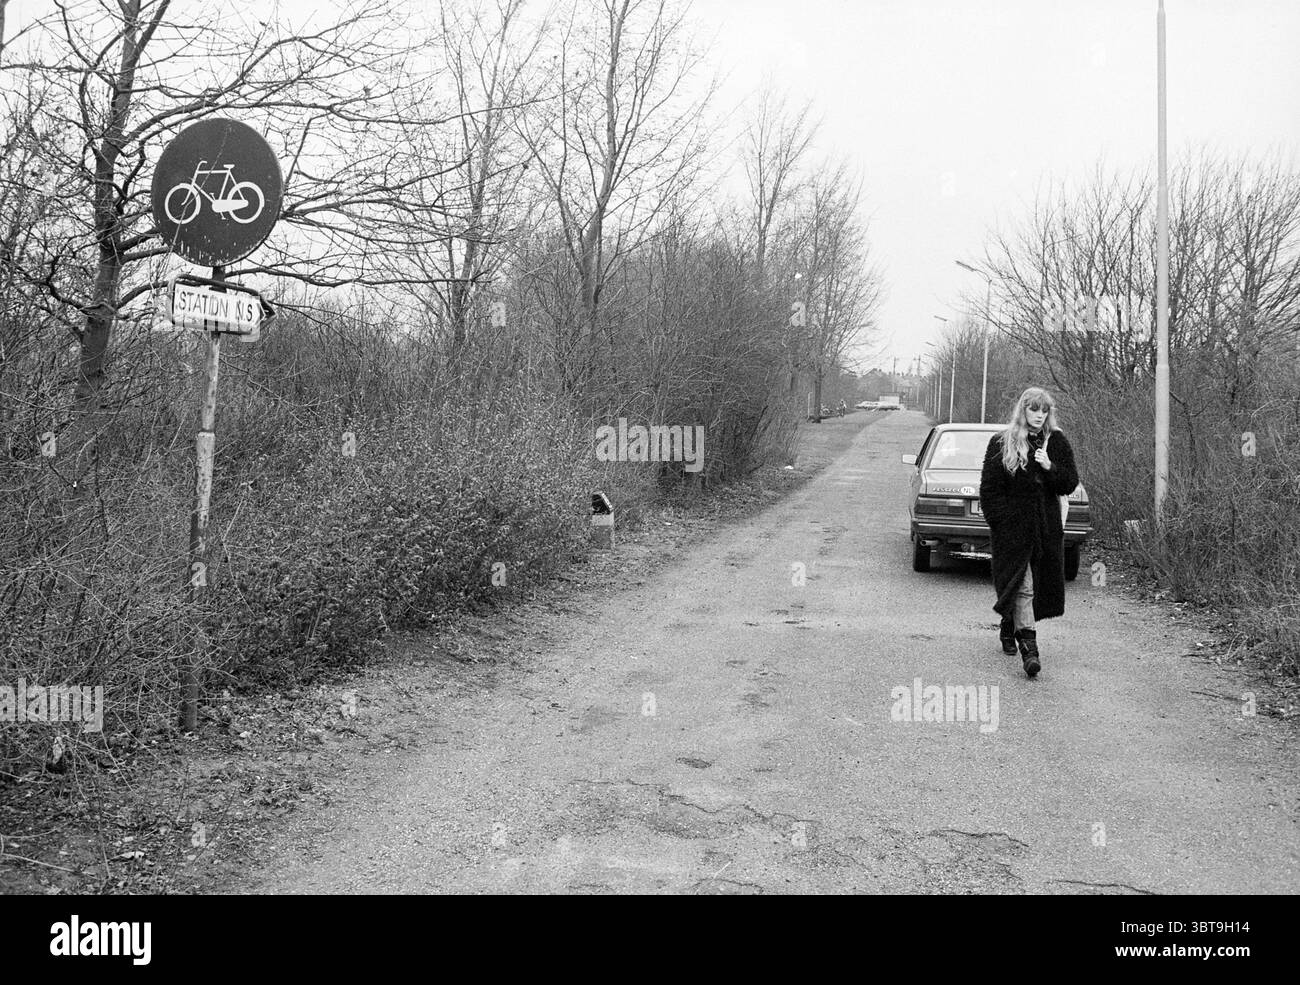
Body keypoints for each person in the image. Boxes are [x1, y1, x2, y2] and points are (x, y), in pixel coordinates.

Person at [978, 387, 1080, 678]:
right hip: (1013, 532)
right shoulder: (1002, 442)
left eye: (1043, 410)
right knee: (1023, 587)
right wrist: (1002, 523)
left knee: (1033, 587)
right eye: (1033, 409)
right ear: (1023, 410)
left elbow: (1069, 483)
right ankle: (1031, 655)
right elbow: (989, 490)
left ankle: (1010, 626)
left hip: (1045, 529)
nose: (1038, 416)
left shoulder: (1056, 441)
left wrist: (1050, 467)